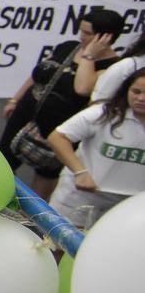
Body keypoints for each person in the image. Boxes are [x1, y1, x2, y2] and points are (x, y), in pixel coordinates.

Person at [0, 8, 125, 197]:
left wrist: (89, 55)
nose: (82, 37)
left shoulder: (112, 67)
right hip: (27, 113)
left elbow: (82, 88)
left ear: (106, 37)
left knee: (46, 173)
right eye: (81, 31)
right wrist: (15, 99)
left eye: (88, 33)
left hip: (58, 126)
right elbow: (39, 73)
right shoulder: (68, 47)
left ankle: (32, 217)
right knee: (3, 160)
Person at [47, 68, 145, 228]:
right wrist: (80, 172)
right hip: (82, 197)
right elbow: (58, 137)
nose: (141, 98)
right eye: (136, 91)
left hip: (130, 204)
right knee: (58, 246)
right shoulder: (104, 113)